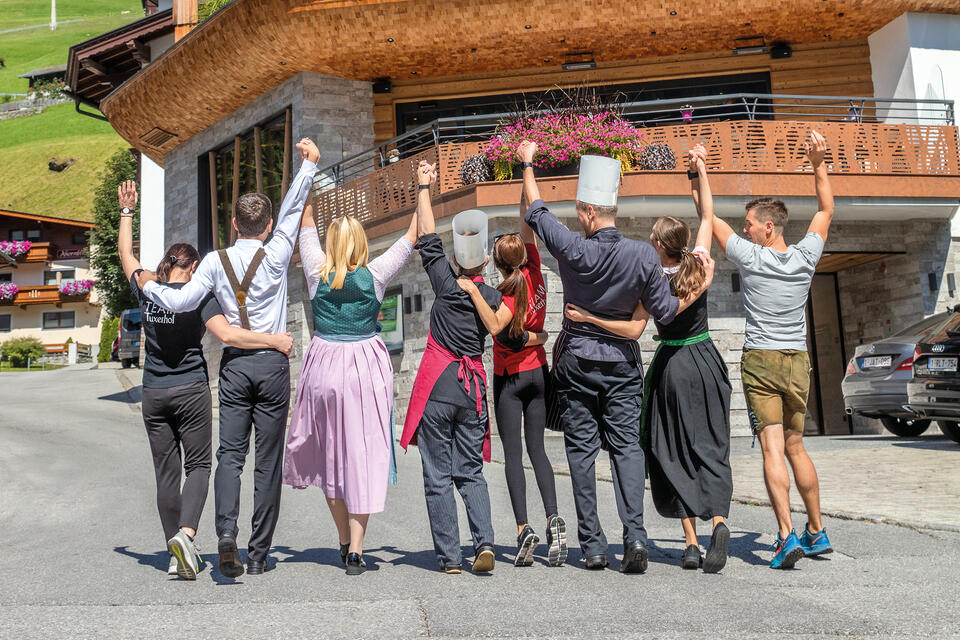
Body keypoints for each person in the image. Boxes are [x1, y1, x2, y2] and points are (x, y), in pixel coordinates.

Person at [518, 141, 713, 573]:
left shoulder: (572, 248)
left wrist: (529, 162)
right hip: (623, 366)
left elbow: (535, 210)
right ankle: (636, 538)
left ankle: (592, 547)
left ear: (589, 211)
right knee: (627, 450)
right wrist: (683, 294)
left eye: (578, 210)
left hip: (577, 363)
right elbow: (664, 311)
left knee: (581, 453)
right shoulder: (643, 255)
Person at [138, 138, 320, 577]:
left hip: (235, 366)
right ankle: (258, 554)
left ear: (235, 223)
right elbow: (295, 209)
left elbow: (181, 304)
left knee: (230, 456)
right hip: (274, 365)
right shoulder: (278, 252)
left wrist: (147, 287)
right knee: (267, 462)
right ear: (268, 224)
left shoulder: (215, 262)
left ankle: (224, 537)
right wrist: (308, 166)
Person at [568, 145, 733, 573]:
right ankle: (718, 520)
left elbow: (636, 328)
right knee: (710, 443)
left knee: (669, 449)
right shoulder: (700, 264)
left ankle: (692, 544)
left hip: (672, 363)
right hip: (707, 357)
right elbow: (709, 219)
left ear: (658, 245)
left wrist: (586, 316)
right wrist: (699, 174)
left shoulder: (653, 280)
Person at [116, 181, 293, 580]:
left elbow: (127, 255)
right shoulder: (202, 297)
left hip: (154, 391)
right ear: (194, 268)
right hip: (192, 389)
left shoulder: (148, 288)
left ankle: (180, 548)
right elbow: (229, 335)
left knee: (167, 472)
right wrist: (275, 341)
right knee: (200, 465)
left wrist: (127, 211)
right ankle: (201, 537)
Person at [711, 130, 835, 569]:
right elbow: (825, 209)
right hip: (798, 361)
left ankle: (786, 536)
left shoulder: (752, 257)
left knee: (771, 449)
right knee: (797, 447)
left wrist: (701, 172)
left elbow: (709, 217)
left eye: (749, 224)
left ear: (767, 227)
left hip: (762, 359)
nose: (744, 230)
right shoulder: (805, 257)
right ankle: (817, 531)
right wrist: (818, 163)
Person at [282, 199, 417, 575]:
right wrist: (423, 186)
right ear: (360, 244)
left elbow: (305, 225)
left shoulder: (315, 272)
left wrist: (307, 172)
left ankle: (342, 538)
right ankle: (357, 549)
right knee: (364, 457)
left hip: (325, 364)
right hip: (364, 368)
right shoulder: (374, 274)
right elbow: (412, 235)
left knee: (331, 459)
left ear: (331, 245)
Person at [400, 161, 514, 574]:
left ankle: (450, 558)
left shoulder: (446, 285)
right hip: (471, 392)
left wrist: (424, 187)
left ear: (454, 259)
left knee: (437, 475)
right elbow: (500, 329)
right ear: (484, 263)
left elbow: (427, 236)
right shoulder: (495, 299)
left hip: (438, 388)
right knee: (470, 472)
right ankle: (484, 543)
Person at [490, 194, 566, 568]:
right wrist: (525, 166)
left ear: (497, 264)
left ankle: (524, 529)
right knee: (539, 450)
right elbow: (528, 217)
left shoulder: (500, 295)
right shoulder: (535, 272)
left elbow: (499, 332)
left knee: (514, 455)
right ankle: (554, 519)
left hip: (509, 377)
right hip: (538, 373)